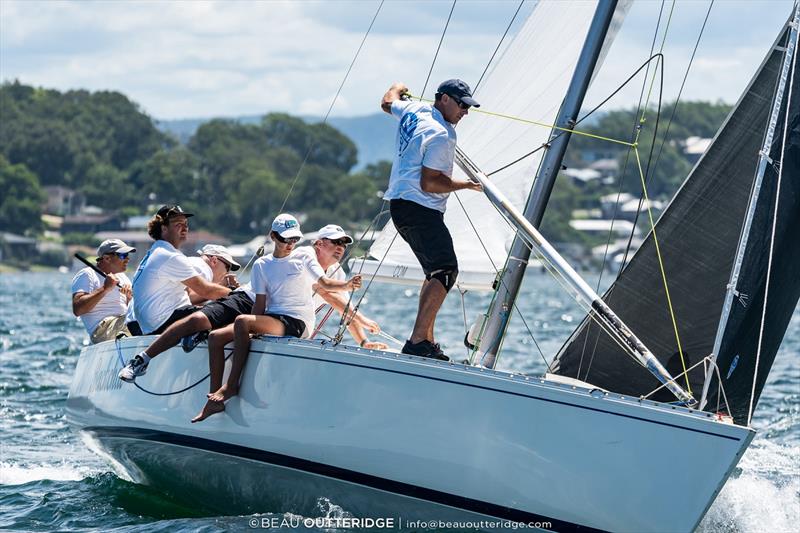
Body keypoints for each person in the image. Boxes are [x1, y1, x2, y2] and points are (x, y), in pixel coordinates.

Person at [197, 214, 361, 420]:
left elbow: (325, 284)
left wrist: (347, 286)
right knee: (215, 337)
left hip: (298, 322)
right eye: (286, 239)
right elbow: (259, 304)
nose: (291, 243)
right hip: (274, 318)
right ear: (273, 236)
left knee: (241, 321)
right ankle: (214, 398)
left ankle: (231, 386)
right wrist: (251, 330)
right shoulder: (262, 264)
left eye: (295, 239)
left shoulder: (304, 256)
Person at [381, 79, 482, 360]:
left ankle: (425, 339)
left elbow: (388, 101)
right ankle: (417, 341)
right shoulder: (442, 134)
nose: (465, 112)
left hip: (400, 207)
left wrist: (398, 85)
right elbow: (431, 183)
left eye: (468, 106)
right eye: (462, 105)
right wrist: (467, 185)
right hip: (420, 207)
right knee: (446, 270)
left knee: (435, 272)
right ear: (445, 99)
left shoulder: (413, 110)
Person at [118, 205, 232, 381]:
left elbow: (196, 294)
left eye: (186, 223)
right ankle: (194, 334)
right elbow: (206, 290)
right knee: (228, 310)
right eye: (178, 224)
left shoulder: (157, 251)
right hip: (164, 323)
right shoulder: (169, 255)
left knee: (212, 309)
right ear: (164, 228)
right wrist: (238, 294)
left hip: (149, 327)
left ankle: (195, 334)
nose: (185, 227)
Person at [306, 224, 387, 350]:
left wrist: (364, 342)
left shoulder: (337, 272)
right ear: (319, 244)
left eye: (344, 245)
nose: (340, 247)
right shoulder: (308, 260)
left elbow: (346, 309)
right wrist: (362, 320)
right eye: (336, 242)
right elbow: (324, 291)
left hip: (298, 329)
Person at [71, 239, 135, 343]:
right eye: (123, 255)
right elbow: (78, 309)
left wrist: (129, 299)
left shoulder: (123, 278)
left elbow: (130, 310)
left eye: (127, 255)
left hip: (123, 324)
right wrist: (105, 289)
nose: (127, 259)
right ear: (107, 258)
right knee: (142, 318)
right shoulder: (87, 274)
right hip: (102, 329)